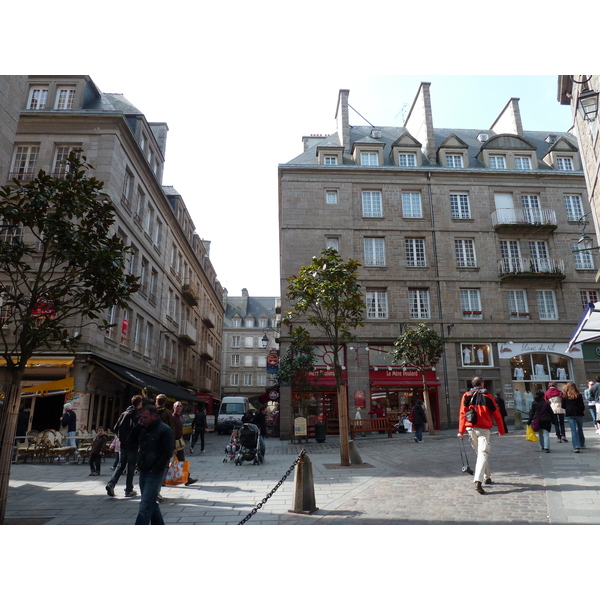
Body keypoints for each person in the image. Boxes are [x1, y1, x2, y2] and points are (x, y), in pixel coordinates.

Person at [458, 376, 506, 495]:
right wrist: (501, 429)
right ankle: (478, 480)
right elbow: (497, 414)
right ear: (482, 384)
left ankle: (487, 477)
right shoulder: (488, 396)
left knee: (481, 454)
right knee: (483, 453)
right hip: (483, 429)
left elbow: (462, 414)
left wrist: (461, 430)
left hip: (470, 428)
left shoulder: (466, 395)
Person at [131, 404, 174, 525]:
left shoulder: (165, 430)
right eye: (141, 417)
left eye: (145, 417)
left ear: (154, 416)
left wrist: (157, 468)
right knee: (150, 502)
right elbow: (130, 442)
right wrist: (138, 427)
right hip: (144, 470)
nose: (142, 420)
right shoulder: (144, 428)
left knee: (145, 504)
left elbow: (167, 452)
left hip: (154, 472)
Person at [106, 395, 143, 498]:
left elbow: (115, 427)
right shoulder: (137, 415)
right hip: (133, 445)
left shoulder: (124, 413)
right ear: (139, 403)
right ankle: (128, 490)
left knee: (120, 465)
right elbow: (139, 430)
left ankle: (111, 484)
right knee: (131, 467)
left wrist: (121, 438)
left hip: (123, 444)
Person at [172, 401, 197, 485]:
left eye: (180, 406)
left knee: (182, 461)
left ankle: (187, 479)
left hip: (179, 442)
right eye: (177, 406)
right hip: (173, 442)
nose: (179, 407)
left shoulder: (180, 417)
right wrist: (173, 446)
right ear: (174, 407)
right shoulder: (172, 418)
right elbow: (172, 432)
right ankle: (162, 480)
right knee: (167, 462)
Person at [561, 382, 586, 453]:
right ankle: (582, 443)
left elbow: (563, 406)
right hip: (579, 413)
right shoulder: (579, 395)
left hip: (570, 413)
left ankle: (576, 446)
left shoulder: (565, 396)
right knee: (580, 428)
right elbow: (582, 405)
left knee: (573, 430)